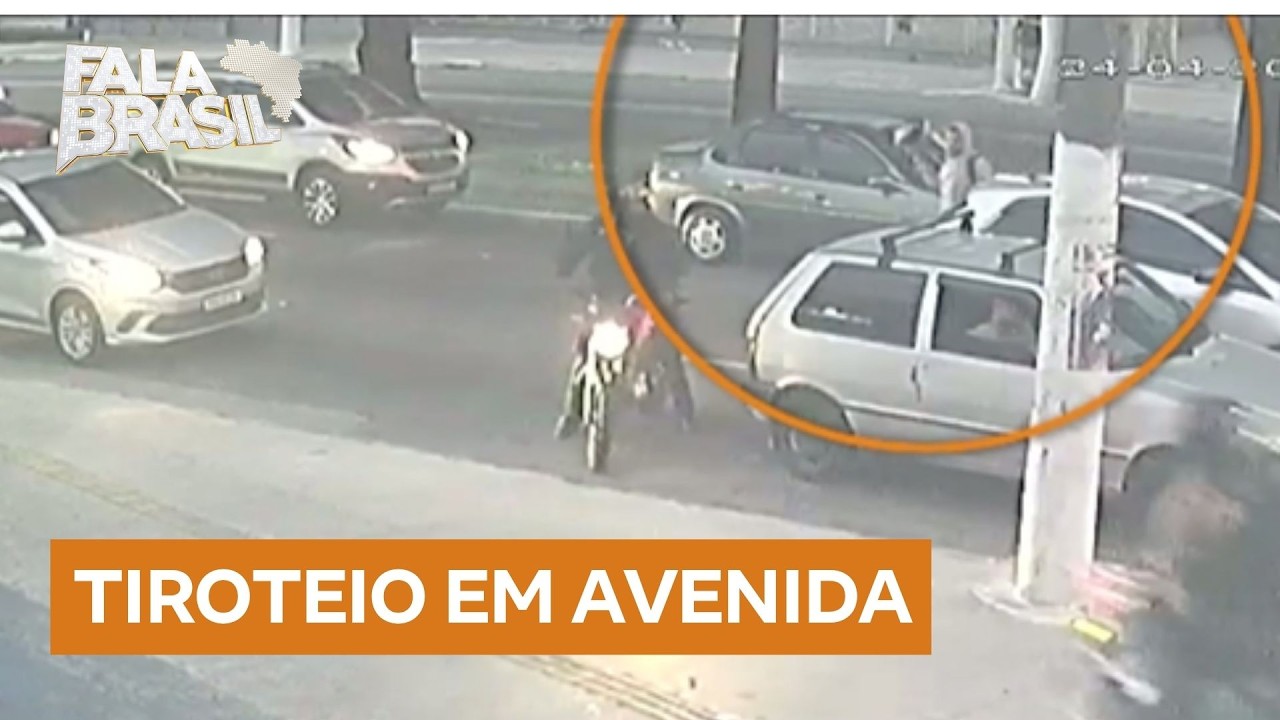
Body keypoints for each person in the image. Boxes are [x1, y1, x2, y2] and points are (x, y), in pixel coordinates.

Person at [1088, 426, 1280, 720]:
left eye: (1194, 500)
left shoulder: (1263, 548)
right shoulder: (1219, 553)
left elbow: (1263, 647)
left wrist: (1187, 606)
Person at [553, 181, 694, 439]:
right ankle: (571, 412)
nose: (631, 199)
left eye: (638, 193)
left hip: (643, 302)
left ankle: (684, 408)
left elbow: (677, 262)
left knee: (666, 348)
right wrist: (565, 266)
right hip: (605, 298)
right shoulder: (601, 226)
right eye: (627, 193)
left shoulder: (658, 231)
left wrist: (667, 291)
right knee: (584, 351)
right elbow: (575, 249)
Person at [935, 121, 994, 214]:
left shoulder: (977, 163)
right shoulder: (947, 165)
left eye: (955, 141)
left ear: (965, 141)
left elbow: (986, 191)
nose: (951, 145)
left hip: (968, 215)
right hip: (948, 214)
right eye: (948, 140)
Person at [967, 295, 1036, 353]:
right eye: (999, 305)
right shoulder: (981, 333)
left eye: (1014, 306)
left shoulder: (1028, 335)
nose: (1013, 309)